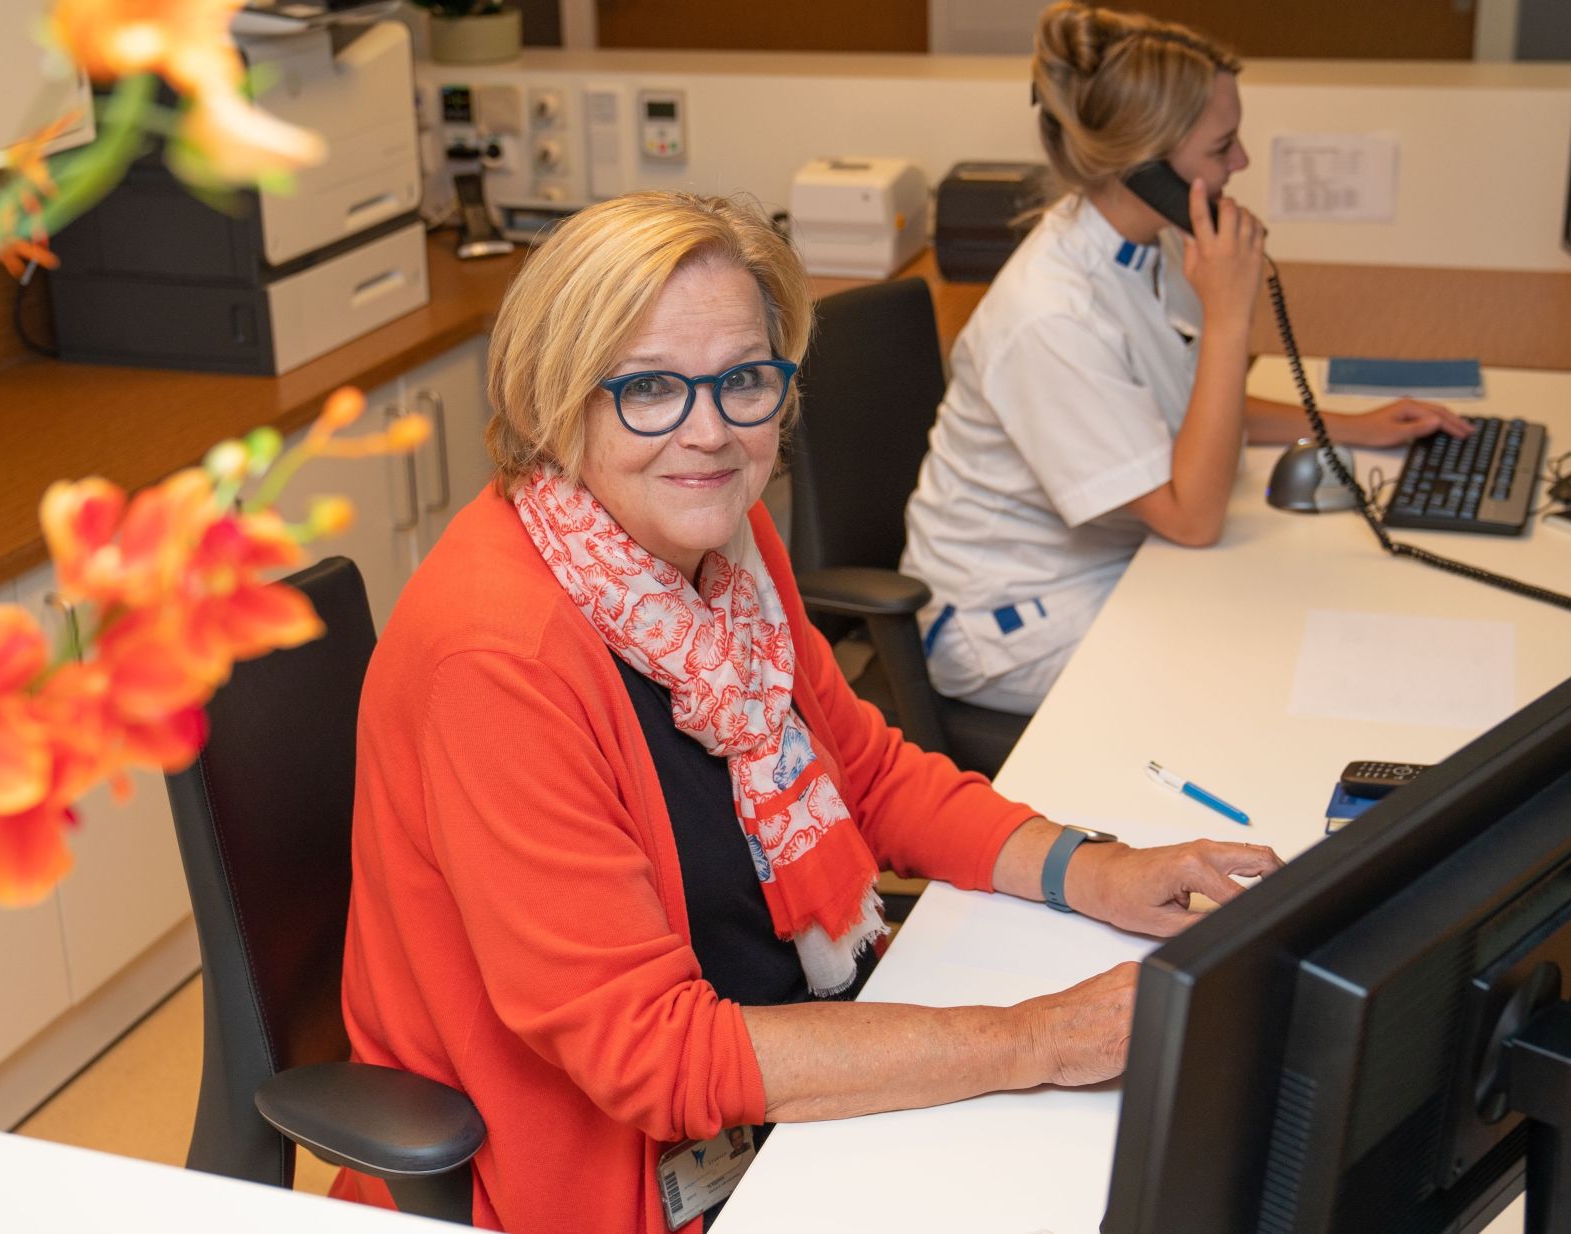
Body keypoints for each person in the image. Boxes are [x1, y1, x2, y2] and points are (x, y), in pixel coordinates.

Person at [333, 190, 1281, 1234]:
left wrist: (1093, 866)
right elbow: (650, 1054)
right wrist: (1040, 1038)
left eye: (743, 381)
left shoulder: (717, 542)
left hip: (780, 1060)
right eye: (650, 386)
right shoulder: (499, 659)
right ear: (557, 401)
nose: (709, 432)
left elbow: (861, 773)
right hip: (624, 1161)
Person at [898, 2, 1473, 716]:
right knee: (1271, 684)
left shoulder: (1150, 246)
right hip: (1016, 622)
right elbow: (1192, 517)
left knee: (1325, 627)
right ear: (1145, 168)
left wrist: (1350, 425)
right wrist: (1231, 312)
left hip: (1124, 564)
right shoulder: (1050, 315)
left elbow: (1187, 403)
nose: (1242, 163)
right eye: (1222, 145)